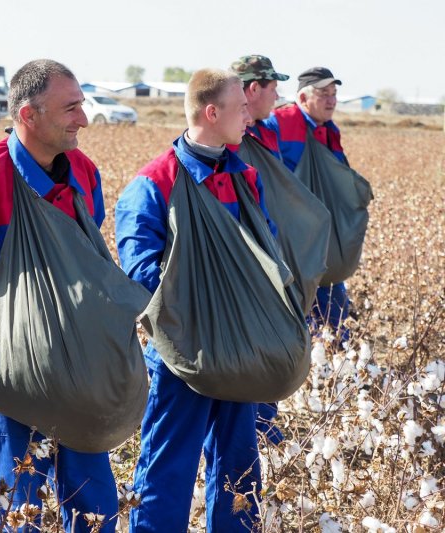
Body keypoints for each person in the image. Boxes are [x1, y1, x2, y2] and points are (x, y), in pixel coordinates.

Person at [0, 60, 117, 532]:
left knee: (94, 503)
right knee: (14, 504)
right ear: (29, 115)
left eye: (82, 106)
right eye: (70, 108)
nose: (83, 119)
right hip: (9, 379)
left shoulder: (83, 175)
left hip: (80, 369)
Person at [116, 68, 274, 531]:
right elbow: (141, 273)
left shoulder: (245, 178)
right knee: (169, 462)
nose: (249, 114)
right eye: (240, 107)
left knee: (240, 463)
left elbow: (267, 252)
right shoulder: (153, 184)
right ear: (212, 112)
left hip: (238, 347)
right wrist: (211, 300)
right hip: (179, 351)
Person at [263, 67, 351, 339]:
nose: (331, 100)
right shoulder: (278, 123)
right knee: (303, 309)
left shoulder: (329, 130)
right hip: (291, 239)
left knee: (333, 311)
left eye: (334, 94)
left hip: (320, 236)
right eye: (323, 94)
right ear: (302, 98)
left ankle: (331, 360)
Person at [230, 55, 290, 445]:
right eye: (272, 87)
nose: (277, 95)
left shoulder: (264, 133)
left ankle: (264, 434)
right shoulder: (229, 145)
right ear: (253, 89)